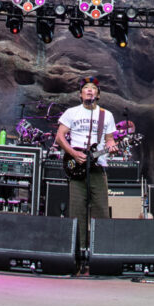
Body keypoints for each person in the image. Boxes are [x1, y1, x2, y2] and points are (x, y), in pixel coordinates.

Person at [55, 76, 118, 252]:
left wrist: (112, 146)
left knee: (101, 209)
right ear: (80, 94)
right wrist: (73, 153)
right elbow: (59, 137)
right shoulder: (71, 112)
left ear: (98, 94)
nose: (90, 90)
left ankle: (100, 250)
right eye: (86, 88)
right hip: (77, 166)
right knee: (77, 210)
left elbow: (110, 140)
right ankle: (78, 250)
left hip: (97, 168)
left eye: (93, 88)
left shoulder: (106, 115)